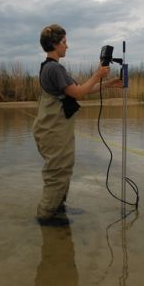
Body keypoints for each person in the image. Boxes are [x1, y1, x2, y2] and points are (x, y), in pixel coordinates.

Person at [33, 24, 121, 226]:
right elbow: (78, 93)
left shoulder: (51, 68)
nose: (67, 46)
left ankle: (58, 209)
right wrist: (98, 74)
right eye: (64, 42)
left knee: (64, 168)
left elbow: (79, 89)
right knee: (57, 172)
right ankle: (45, 216)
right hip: (53, 131)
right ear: (55, 44)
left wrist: (107, 83)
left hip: (55, 130)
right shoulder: (54, 68)